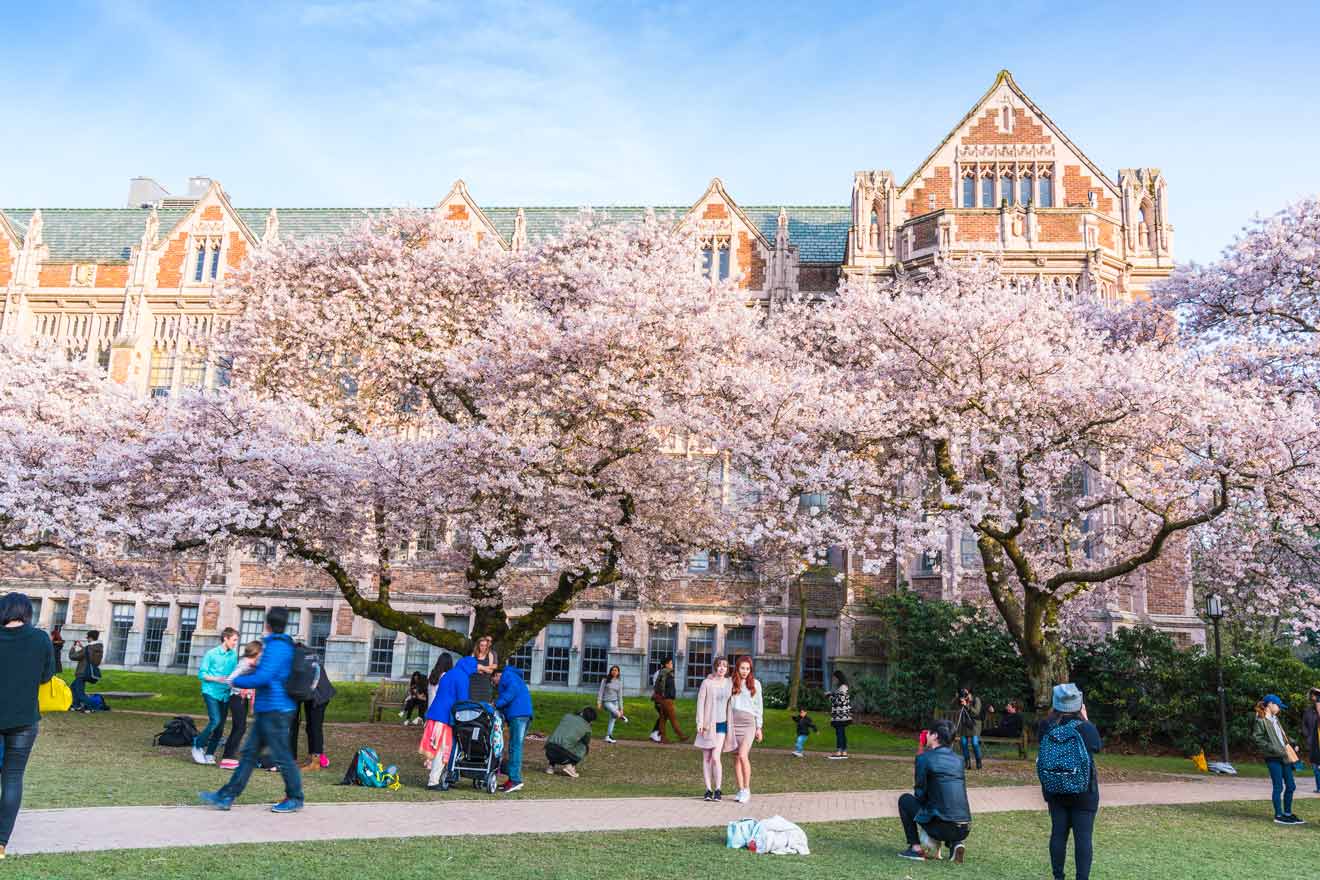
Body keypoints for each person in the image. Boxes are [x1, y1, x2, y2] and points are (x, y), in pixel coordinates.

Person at [198, 607, 304, 814]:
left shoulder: (277, 647)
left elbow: (264, 677)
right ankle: (226, 795)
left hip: (276, 709)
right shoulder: (278, 645)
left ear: (267, 624)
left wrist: (237, 680)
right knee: (248, 754)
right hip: (268, 708)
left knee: (281, 755)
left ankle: (295, 797)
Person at [0, 593, 56, 861]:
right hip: (23, 719)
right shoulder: (41, 638)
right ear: (27, 613)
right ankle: (0, 844)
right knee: (12, 778)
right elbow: (47, 675)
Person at [1037, 684, 1104, 880]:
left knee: (1058, 834)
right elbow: (1097, 746)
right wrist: (1086, 719)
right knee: (1083, 838)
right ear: (1078, 704)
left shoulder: (1046, 726)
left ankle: (1058, 877)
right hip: (1084, 790)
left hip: (1054, 789)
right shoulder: (1085, 727)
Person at [897, 719, 971, 863]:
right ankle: (956, 843)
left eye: (929, 733)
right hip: (964, 827)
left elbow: (920, 794)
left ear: (935, 736)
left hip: (941, 826)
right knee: (950, 805)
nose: (927, 735)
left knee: (905, 800)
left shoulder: (924, 758)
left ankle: (915, 849)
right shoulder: (959, 760)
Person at [421, 654, 479, 789]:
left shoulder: (448, 674)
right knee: (442, 749)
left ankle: (434, 779)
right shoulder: (463, 677)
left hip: (434, 713)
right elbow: (462, 701)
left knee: (436, 748)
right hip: (444, 717)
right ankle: (433, 782)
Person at [1253, 693, 1304, 825]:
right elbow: (1258, 739)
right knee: (1278, 787)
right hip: (1273, 758)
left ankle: (1287, 813)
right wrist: (1274, 749)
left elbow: (1281, 736)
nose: (1279, 708)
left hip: (1284, 756)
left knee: (1291, 786)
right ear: (1270, 704)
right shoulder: (1261, 720)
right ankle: (1278, 815)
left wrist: (1292, 743)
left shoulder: (1275, 719)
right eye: (1278, 706)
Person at [192, 627, 239, 765]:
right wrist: (217, 678)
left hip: (225, 694)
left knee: (220, 726)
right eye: (234, 640)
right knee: (215, 720)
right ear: (226, 638)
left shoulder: (233, 655)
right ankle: (197, 744)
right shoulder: (211, 654)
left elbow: (233, 675)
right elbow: (202, 674)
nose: (235, 643)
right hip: (210, 691)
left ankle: (210, 753)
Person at [289, 647, 335, 771]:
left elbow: (300, 681)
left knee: (315, 727)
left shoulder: (298, 657)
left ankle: (315, 761)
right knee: (310, 727)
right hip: (311, 693)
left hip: (319, 695)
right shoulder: (300, 655)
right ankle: (311, 757)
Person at [218, 640, 261, 770]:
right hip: (237, 698)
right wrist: (242, 688)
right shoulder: (245, 664)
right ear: (256, 652)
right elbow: (230, 680)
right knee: (239, 727)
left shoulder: (252, 664)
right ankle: (227, 757)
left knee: (240, 727)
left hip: (243, 699)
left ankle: (229, 756)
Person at [694, 656, 732, 801]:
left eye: (725, 666)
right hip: (708, 725)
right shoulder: (707, 683)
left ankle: (718, 789)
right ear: (715, 667)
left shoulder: (729, 683)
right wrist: (700, 722)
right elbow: (700, 703)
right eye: (720, 665)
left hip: (722, 724)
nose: (722, 668)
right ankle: (708, 789)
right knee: (707, 758)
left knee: (716, 757)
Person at [727, 655, 763, 804]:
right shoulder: (730, 683)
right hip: (733, 722)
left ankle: (747, 789)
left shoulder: (755, 684)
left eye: (747, 669)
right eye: (742, 668)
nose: (745, 671)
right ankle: (741, 789)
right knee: (736, 758)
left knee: (743, 755)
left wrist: (759, 727)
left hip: (749, 723)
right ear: (737, 668)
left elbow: (759, 706)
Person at [492, 665, 533, 793]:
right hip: (521, 715)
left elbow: (512, 691)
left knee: (515, 748)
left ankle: (515, 780)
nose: (494, 685)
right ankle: (512, 779)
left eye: (493, 681)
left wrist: (496, 704)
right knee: (514, 747)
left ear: (497, 675)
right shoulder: (512, 677)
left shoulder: (507, 675)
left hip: (519, 715)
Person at [545, 707, 596, 778]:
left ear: (582, 712)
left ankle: (550, 767)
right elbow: (586, 741)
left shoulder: (567, 716)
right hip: (563, 756)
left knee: (558, 739)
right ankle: (570, 766)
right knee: (584, 747)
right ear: (591, 720)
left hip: (549, 750)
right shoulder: (587, 728)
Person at [649, 657, 684, 744]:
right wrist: (663, 697)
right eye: (671, 663)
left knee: (663, 718)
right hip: (665, 699)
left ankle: (662, 738)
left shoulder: (666, 673)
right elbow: (660, 687)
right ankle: (681, 735)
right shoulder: (665, 673)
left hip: (665, 699)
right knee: (672, 718)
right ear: (666, 664)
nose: (672, 665)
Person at [67, 629, 103, 713]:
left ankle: (90, 707)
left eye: (87, 637)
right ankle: (76, 705)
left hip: (82, 672)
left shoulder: (88, 648)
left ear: (90, 637)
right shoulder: (98, 647)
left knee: (79, 692)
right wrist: (82, 647)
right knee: (73, 688)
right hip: (88, 671)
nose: (87, 638)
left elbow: (73, 656)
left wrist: (73, 647)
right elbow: (88, 655)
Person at [596, 665, 628, 743]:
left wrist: (621, 708)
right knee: (617, 714)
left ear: (618, 672)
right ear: (610, 671)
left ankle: (608, 736)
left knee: (612, 720)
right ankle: (621, 716)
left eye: (616, 670)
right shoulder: (605, 680)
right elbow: (600, 692)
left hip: (615, 702)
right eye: (613, 670)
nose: (614, 671)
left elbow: (620, 696)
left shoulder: (619, 682)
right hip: (606, 702)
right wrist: (599, 702)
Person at [954, 686, 984, 770]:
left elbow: (976, 713)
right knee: (963, 743)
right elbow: (957, 709)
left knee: (975, 743)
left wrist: (967, 705)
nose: (964, 693)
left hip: (975, 724)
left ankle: (978, 761)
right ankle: (967, 762)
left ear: (970, 693)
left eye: (966, 692)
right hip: (965, 724)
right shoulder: (962, 699)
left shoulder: (976, 700)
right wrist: (957, 699)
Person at [828, 669, 852, 759]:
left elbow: (839, 700)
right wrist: (832, 694)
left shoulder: (842, 687)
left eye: (834, 678)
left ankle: (839, 752)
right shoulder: (843, 687)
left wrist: (829, 696)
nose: (834, 679)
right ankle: (844, 751)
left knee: (839, 733)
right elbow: (840, 697)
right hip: (842, 714)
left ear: (838, 678)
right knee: (841, 733)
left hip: (840, 715)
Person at [468, 634, 499, 703]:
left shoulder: (490, 654)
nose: (484, 647)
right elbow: (471, 668)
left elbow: (490, 671)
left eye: (485, 645)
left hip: (485, 684)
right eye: (482, 645)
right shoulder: (473, 654)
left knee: (484, 707)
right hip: (473, 683)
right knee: (472, 705)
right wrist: (481, 669)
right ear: (478, 645)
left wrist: (480, 667)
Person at [1300, 688, 1320, 793]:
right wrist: (1308, 736)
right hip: (1312, 742)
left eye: (1317, 696)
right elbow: (1304, 725)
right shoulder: (1308, 711)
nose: (1315, 697)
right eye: (1314, 695)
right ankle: (1319, 787)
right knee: (1315, 766)